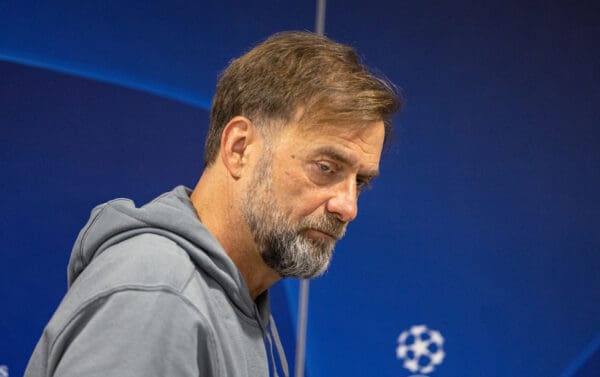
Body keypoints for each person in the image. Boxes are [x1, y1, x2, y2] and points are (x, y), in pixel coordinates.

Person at [25, 31, 401, 377]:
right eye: (325, 167)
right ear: (239, 149)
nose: (347, 206)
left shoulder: (235, 297)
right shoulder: (160, 298)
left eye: (361, 182)